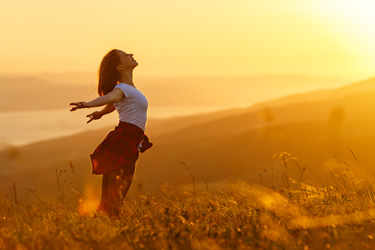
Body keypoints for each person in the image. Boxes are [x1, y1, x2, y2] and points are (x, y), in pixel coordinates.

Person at [70, 49, 152, 216]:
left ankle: (102, 226)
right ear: (120, 67)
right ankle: (107, 229)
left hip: (127, 139)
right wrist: (88, 104)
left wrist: (100, 113)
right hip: (125, 140)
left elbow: (115, 104)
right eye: (125, 55)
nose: (131, 54)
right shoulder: (121, 88)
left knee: (112, 197)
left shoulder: (128, 89)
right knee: (116, 195)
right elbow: (112, 98)